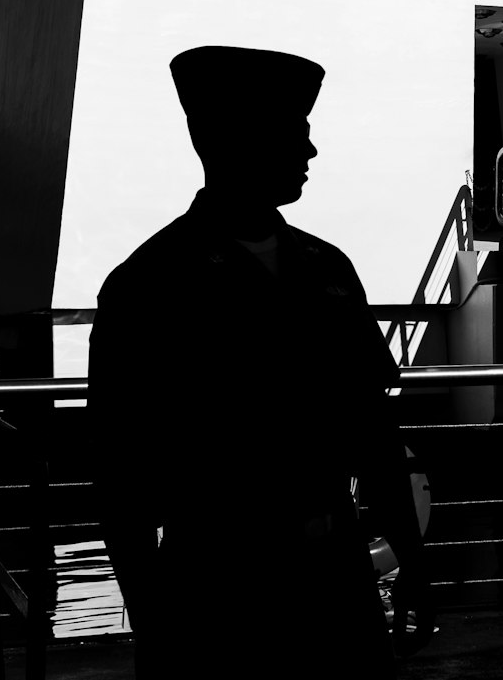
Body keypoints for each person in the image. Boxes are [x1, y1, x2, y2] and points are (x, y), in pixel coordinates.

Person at [88, 45, 433, 678]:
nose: (310, 152)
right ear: (233, 140)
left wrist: (411, 558)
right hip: (219, 589)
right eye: (294, 134)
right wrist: (152, 620)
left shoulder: (327, 266)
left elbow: (373, 434)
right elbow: (120, 475)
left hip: (336, 580)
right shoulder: (150, 282)